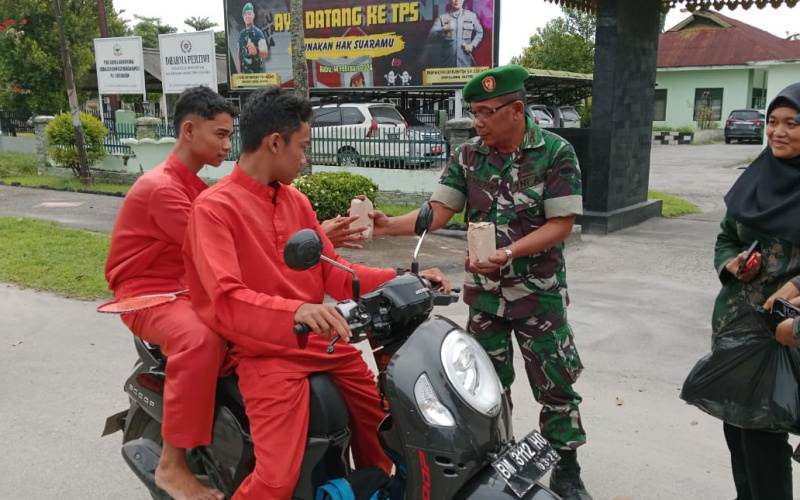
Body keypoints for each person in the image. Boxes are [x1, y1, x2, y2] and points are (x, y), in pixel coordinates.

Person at [181, 86, 450, 499]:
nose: (305, 158)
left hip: (324, 344)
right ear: (275, 142)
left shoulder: (295, 202)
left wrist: (403, 278)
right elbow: (226, 299)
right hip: (265, 353)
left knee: (386, 433)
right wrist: (296, 312)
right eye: (302, 147)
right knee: (276, 479)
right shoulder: (214, 209)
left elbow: (337, 274)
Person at [370, 64, 591, 500]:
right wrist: (385, 225)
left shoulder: (554, 151)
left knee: (556, 384)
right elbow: (438, 210)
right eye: (474, 112)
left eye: (487, 112)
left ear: (517, 110)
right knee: (485, 383)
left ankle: (567, 466)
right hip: (487, 299)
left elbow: (562, 222)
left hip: (538, 296)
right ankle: (498, 459)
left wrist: (508, 253)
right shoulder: (469, 155)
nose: (478, 121)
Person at [105, 86, 234, 500]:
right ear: (189, 130)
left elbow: (236, 237)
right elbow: (218, 251)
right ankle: (172, 466)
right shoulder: (162, 188)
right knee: (199, 339)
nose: (227, 146)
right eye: (220, 135)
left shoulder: (194, 186)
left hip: (186, 289)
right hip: (149, 296)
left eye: (231, 136)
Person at [712, 82, 800, 500]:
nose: (777, 132)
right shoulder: (758, 175)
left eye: (792, 123)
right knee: (738, 430)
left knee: (765, 436)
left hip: (784, 337)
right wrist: (730, 263)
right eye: (772, 122)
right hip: (737, 327)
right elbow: (727, 237)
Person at [428, 0, 484, 68]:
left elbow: (480, 32)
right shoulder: (442, 18)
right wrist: (444, 28)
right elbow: (431, 34)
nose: (457, 1)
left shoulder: (471, 16)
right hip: (447, 64)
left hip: (465, 64)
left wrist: (472, 45)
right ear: (450, 1)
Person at [237, 2, 268, 74]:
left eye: (249, 13)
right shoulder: (241, 34)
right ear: (243, 16)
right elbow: (238, 56)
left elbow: (265, 53)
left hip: (257, 77)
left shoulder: (258, 33)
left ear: (253, 15)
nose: (247, 16)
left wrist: (256, 51)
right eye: (245, 14)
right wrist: (239, 74)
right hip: (244, 77)